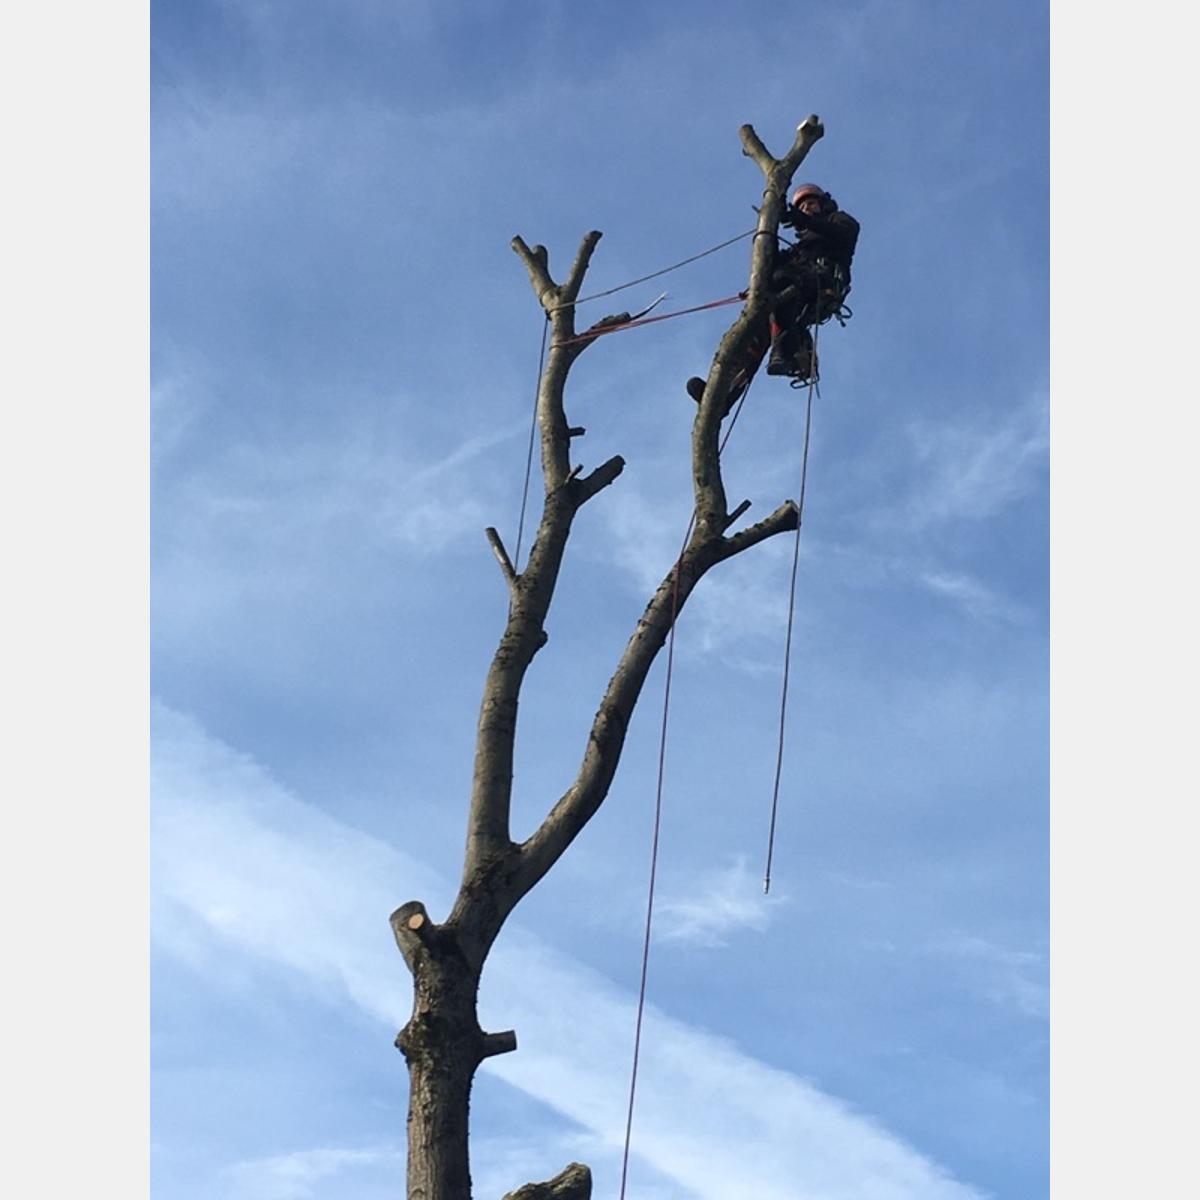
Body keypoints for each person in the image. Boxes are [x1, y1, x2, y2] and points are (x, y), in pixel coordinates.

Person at [685, 182, 859, 406]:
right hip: (790, 292)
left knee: (780, 280)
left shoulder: (838, 221)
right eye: (802, 206)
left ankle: (785, 350)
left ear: (823, 205)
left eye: (811, 203)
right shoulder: (798, 250)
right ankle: (720, 396)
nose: (807, 208)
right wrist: (768, 229)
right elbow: (772, 260)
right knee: (752, 332)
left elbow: (844, 234)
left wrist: (800, 218)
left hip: (822, 281)